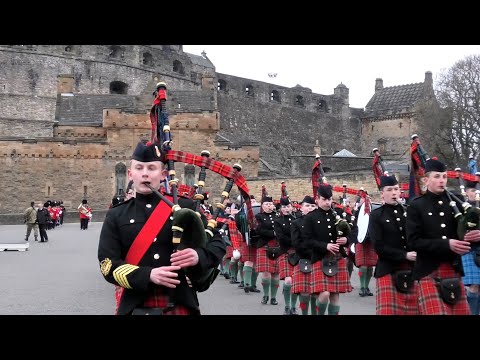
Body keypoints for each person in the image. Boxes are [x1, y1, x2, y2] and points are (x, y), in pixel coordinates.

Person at [97, 141, 226, 315]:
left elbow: (217, 242)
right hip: (135, 304)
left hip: (180, 302)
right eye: (139, 168)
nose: (145, 174)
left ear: (163, 174)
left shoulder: (184, 206)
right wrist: (148, 275)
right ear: (130, 174)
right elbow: (107, 264)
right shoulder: (116, 215)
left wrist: (198, 256)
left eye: (151, 168)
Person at [406, 157, 472, 315]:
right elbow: (414, 242)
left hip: (453, 269)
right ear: (426, 180)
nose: (442, 180)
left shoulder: (457, 202)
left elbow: (466, 232)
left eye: (444, 177)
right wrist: (446, 244)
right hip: (428, 271)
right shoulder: (416, 205)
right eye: (436, 176)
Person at [369, 174, 418, 315]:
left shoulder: (409, 212)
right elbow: (378, 246)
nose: (394, 192)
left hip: (411, 269)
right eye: (389, 190)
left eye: (396, 189)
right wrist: (405, 255)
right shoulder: (376, 215)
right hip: (387, 270)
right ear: (382, 194)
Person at [302, 184, 352, 315]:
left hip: (337, 258)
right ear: (317, 199)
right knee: (324, 294)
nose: (328, 202)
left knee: (335, 296)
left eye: (329, 199)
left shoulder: (339, 214)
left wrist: (347, 240)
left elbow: (354, 231)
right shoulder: (310, 217)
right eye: (324, 199)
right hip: (320, 257)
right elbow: (307, 240)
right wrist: (325, 246)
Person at [291, 195, 318, 315]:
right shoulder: (296, 223)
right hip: (303, 259)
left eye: (313, 206)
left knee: (317, 292)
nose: (310, 208)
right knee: (305, 292)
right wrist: (313, 253)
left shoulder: (321, 222)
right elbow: (297, 244)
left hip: (318, 259)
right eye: (307, 206)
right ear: (301, 208)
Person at [460, 180, 480, 315]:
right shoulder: (460, 208)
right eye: (473, 191)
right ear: (466, 192)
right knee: (473, 287)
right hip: (469, 251)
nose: (476, 193)